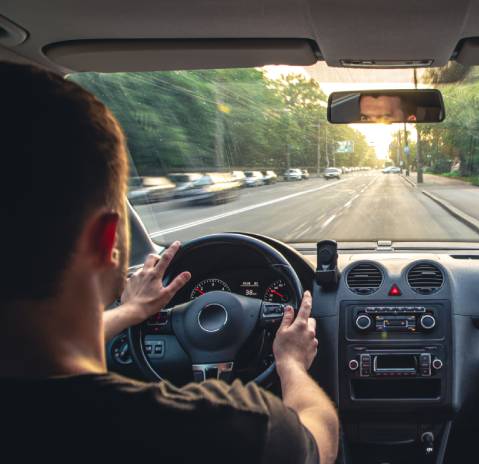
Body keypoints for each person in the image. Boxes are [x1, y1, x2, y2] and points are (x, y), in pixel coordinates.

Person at [0, 61, 338, 463]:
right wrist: (291, 364)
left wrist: (127, 313)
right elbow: (319, 438)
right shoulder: (221, 429)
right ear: (107, 241)